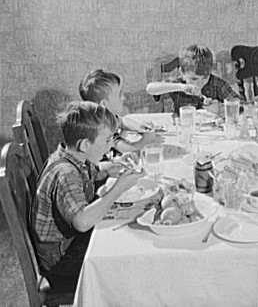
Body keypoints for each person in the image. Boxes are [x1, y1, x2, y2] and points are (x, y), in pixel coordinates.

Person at [30, 101, 145, 287]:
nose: (110, 147)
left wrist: (112, 168)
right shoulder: (66, 173)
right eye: (108, 141)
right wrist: (118, 189)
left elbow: (93, 172)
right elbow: (82, 222)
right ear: (85, 144)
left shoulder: (74, 156)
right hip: (62, 258)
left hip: (68, 243)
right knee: (128, 252)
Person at [146, 44, 241, 115]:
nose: (199, 83)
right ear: (182, 73)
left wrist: (220, 109)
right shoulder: (178, 84)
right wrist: (181, 87)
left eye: (204, 78)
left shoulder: (217, 84)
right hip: (184, 129)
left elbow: (241, 105)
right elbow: (150, 89)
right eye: (194, 79)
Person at [79, 69, 157, 153]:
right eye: (119, 95)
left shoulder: (103, 116)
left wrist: (139, 127)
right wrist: (147, 140)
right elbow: (131, 150)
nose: (123, 97)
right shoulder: (101, 130)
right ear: (104, 104)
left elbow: (122, 121)